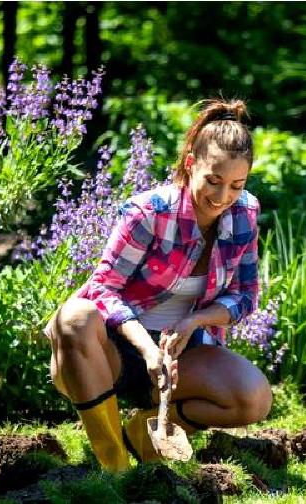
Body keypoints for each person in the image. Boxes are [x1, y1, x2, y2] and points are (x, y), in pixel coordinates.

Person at [45, 99, 272, 472]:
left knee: (253, 398)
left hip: (179, 357)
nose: (222, 197)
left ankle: (143, 431)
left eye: (236, 185)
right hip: (108, 352)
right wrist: (147, 348)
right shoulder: (149, 212)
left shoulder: (244, 213)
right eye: (213, 181)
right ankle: (113, 463)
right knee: (75, 317)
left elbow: (246, 296)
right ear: (190, 164)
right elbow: (103, 287)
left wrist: (192, 323)